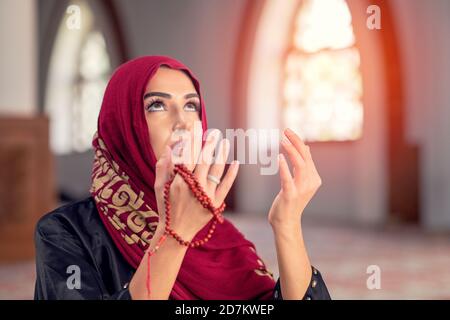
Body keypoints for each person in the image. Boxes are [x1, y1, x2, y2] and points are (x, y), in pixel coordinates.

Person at [34, 55, 331, 300]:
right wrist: (173, 235)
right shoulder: (65, 232)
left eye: (192, 105)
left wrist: (287, 225)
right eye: (157, 105)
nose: (183, 121)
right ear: (122, 124)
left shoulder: (219, 234)